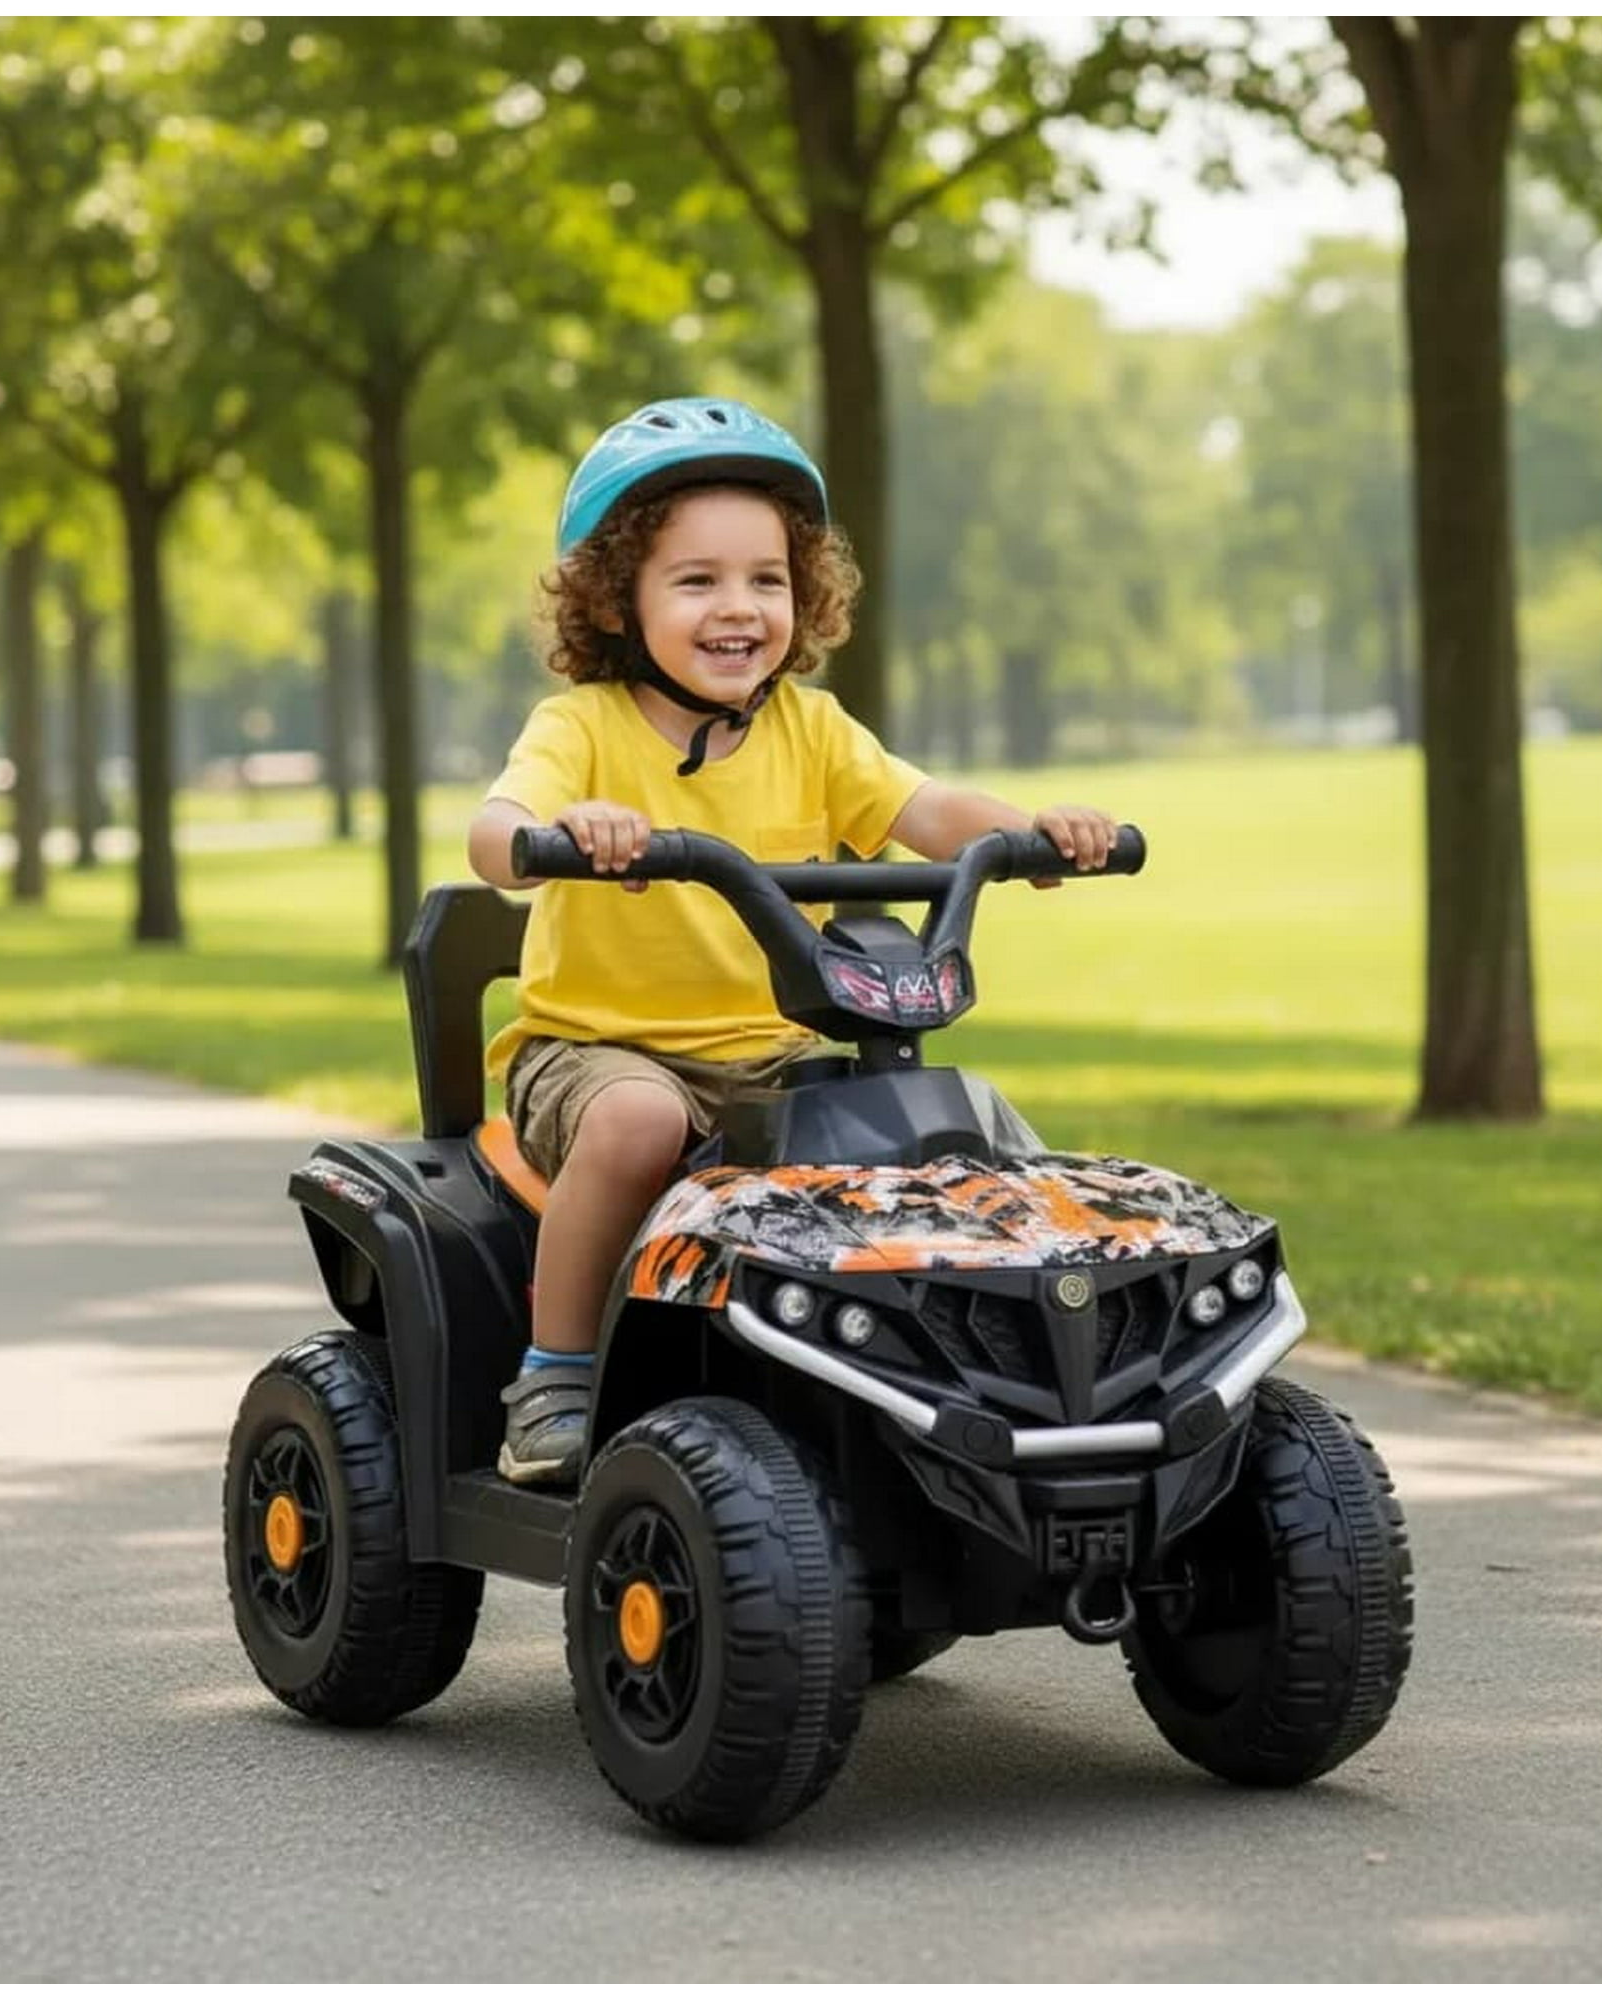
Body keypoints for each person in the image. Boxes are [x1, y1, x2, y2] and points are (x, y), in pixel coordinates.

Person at [467, 396, 1119, 1485]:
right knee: (636, 1121)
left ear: (802, 592)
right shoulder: (578, 727)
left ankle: (994, 1362)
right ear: (616, 598)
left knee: (957, 1123)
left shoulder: (809, 727)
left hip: (770, 1053)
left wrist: (1033, 835)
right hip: (599, 1050)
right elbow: (494, 834)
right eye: (697, 580)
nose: (739, 608)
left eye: (765, 579)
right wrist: (561, 831)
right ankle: (556, 1372)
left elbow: (924, 809)